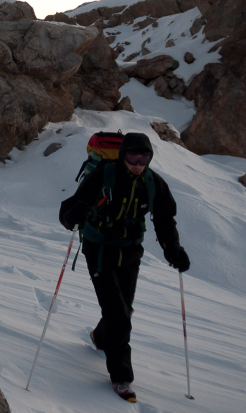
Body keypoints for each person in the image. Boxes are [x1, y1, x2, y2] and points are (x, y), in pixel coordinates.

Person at [58, 132, 190, 403]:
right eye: (132, 157)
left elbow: (165, 220)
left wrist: (173, 249)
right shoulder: (104, 175)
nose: (137, 163)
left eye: (144, 158)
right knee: (119, 314)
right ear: (123, 155)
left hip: (130, 252)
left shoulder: (153, 183)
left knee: (122, 308)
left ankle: (100, 336)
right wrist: (73, 217)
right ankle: (121, 378)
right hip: (99, 249)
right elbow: (69, 208)